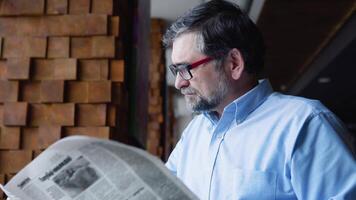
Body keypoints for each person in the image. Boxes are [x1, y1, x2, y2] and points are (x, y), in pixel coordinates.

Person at [162, 0, 356, 199]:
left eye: (185, 69)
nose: (179, 83)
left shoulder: (304, 124)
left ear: (234, 63)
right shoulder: (194, 133)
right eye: (176, 70)